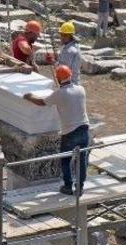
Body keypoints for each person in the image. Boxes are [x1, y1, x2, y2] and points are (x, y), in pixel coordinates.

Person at [24, 64, 90, 195]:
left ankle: (67, 186)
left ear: (58, 79)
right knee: (81, 160)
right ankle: (80, 187)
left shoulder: (59, 94)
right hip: (84, 129)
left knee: (65, 159)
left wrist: (29, 96)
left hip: (70, 132)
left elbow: (42, 102)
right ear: (70, 75)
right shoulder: (81, 89)